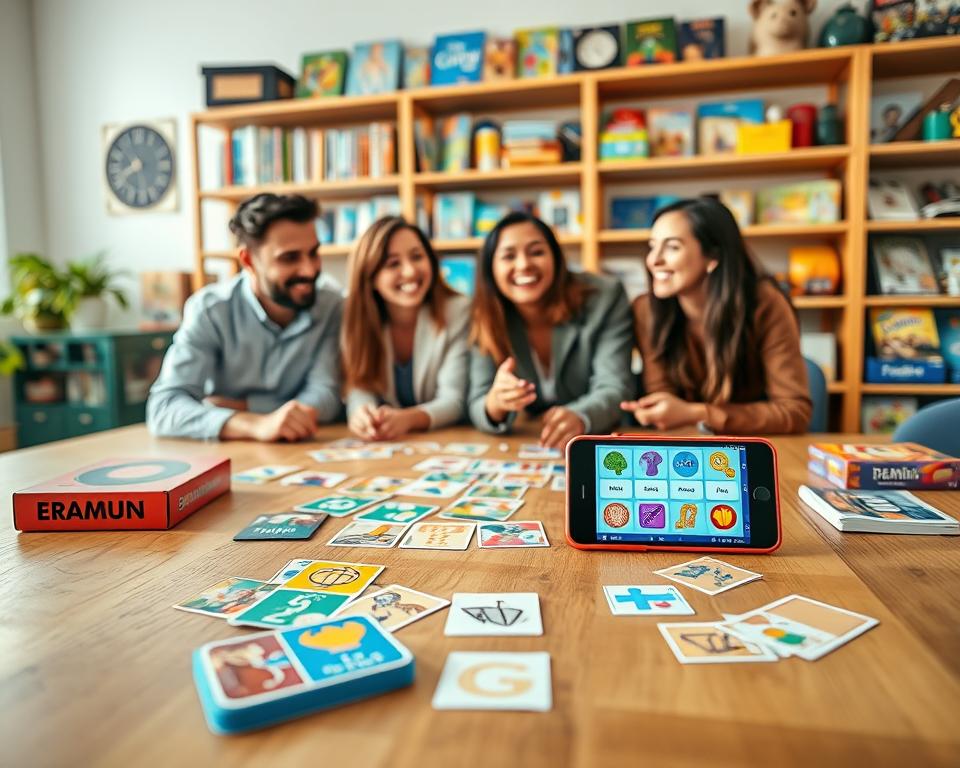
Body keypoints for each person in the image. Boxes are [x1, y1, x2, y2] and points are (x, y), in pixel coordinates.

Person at [146, 193, 342, 441]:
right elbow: (164, 408)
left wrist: (246, 406)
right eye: (289, 258)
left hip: (300, 448)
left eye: (313, 253)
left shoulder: (332, 306)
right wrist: (253, 425)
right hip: (226, 452)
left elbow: (326, 395)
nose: (310, 269)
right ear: (248, 260)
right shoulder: (210, 310)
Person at [621, 197, 812, 434]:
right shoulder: (647, 310)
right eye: (652, 246)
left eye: (672, 247)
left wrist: (699, 413)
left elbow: (794, 412)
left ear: (713, 257)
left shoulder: (765, 303)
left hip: (751, 446)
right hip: (686, 447)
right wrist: (656, 409)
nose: (653, 260)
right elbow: (663, 396)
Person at [468, 211, 635, 447]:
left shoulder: (605, 297)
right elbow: (477, 401)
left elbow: (615, 386)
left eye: (537, 252)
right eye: (508, 256)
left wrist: (582, 416)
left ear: (556, 259)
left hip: (596, 439)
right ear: (490, 270)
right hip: (526, 441)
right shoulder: (484, 313)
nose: (524, 265)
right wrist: (495, 403)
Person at [342, 216, 470, 440]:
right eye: (393, 264)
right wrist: (361, 414)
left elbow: (454, 400)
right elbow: (359, 383)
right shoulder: (355, 318)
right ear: (370, 277)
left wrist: (408, 419)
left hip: (446, 438)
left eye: (417, 257)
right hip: (390, 447)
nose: (410, 271)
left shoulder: (459, 311)